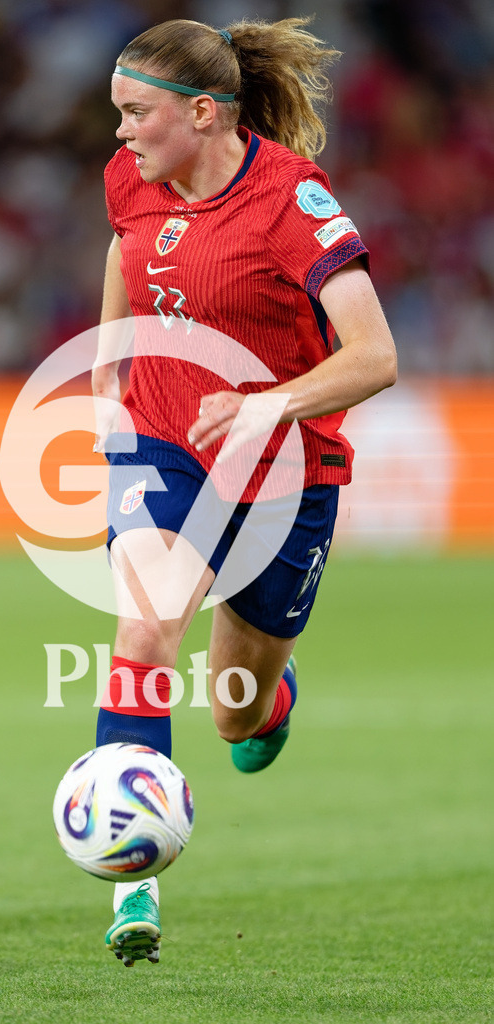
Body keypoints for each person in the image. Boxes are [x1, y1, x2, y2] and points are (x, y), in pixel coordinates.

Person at [90, 17, 397, 967]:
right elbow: (124, 243)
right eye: (116, 115)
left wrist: (273, 407)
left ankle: (268, 702)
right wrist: (109, 358)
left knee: (233, 712)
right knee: (143, 630)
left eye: (136, 114)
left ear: (202, 112)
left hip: (283, 477)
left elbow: (375, 357)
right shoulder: (131, 181)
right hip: (163, 449)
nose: (120, 135)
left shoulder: (291, 202)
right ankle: (128, 872)